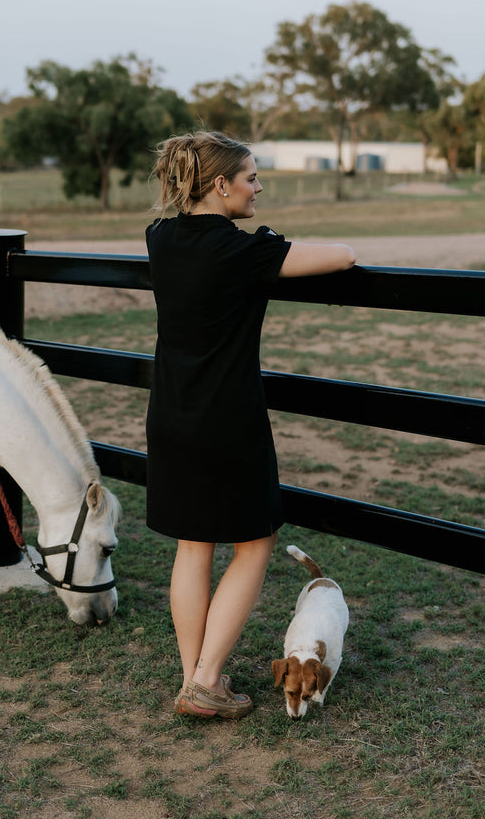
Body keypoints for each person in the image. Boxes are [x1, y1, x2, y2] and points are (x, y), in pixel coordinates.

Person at [145, 130, 356, 720]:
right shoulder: (243, 252)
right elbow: (343, 256)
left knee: (193, 545)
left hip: (170, 413)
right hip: (227, 420)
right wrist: (270, 245)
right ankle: (207, 681)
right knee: (255, 541)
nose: (258, 188)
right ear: (221, 184)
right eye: (252, 178)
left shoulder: (160, 237)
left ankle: (193, 679)